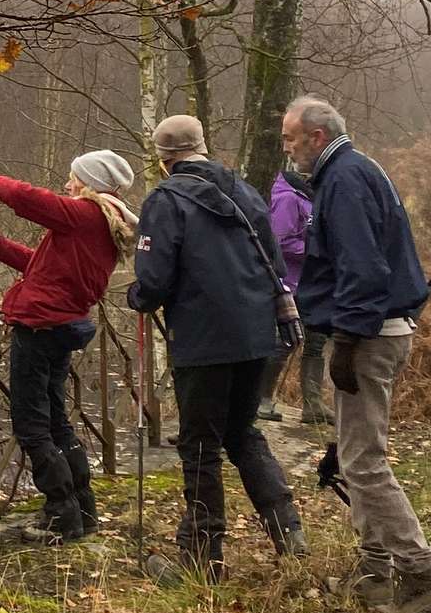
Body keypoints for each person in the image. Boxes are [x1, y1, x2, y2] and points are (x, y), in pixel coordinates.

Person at [284, 95, 431, 613]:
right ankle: (375, 571)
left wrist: (347, 339)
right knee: (355, 453)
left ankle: (422, 576)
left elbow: (363, 268)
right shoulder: (356, 170)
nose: (287, 149)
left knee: (362, 462)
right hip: (377, 329)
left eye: (291, 138)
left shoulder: (344, 180)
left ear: (316, 136)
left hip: (370, 335)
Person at [125, 115, 307, 574]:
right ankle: (289, 532)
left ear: (164, 159)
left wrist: (137, 296)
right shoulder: (243, 191)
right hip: (258, 334)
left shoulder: (165, 199)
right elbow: (275, 260)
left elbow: (153, 281)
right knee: (242, 431)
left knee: (200, 445)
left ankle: (202, 558)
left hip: (203, 338)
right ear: (203, 148)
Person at [0, 150, 136, 540]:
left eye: (74, 178)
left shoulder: (84, 214)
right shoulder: (104, 221)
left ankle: (62, 513)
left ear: (91, 184)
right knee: (56, 421)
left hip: (40, 327)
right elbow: (44, 268)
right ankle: (82, 508)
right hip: (60, 325)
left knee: (32, 426)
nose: (67, 184)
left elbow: (28, 198)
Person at [258, 162, 328, 426]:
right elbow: (281, 242)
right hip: (290, 283)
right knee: (286, 340)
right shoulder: (287, 197)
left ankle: (313, 404)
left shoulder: (312, 194)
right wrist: (318, 251)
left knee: (316, 341)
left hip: (314, 282)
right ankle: (262, 398)